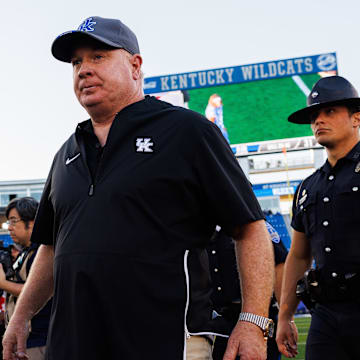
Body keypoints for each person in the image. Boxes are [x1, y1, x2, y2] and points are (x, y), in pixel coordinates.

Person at [2, 16, 274, 360]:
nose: (83, 69)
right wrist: (21, 316)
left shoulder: (187, 132)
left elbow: (250, 228)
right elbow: (52, 248)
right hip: (73, 342)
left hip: (164, 339)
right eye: (76, 62)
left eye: (98, 56)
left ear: (135, 65)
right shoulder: (66, 153)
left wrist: (252, 321)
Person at [276, 75, 360, 360]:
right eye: (315, 115)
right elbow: (299, 255)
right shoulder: (308, 187)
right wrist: (285, 316)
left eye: (330, 111)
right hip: (326, 314)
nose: (319, 120)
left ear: (356, 118)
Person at [208, 221, 288, 360]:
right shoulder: (200, 230)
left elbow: (279, 265)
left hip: (259, 317)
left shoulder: (251, 225)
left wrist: (285, 317)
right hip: (220, 321)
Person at [2, 197, 52, 360]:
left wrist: (3, 283)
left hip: (38, 340)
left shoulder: (43, 254)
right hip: (24, 340)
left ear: (32, 222)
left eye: (14, 221)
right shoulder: (26, 253)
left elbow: (36, 289)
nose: (9, 227)